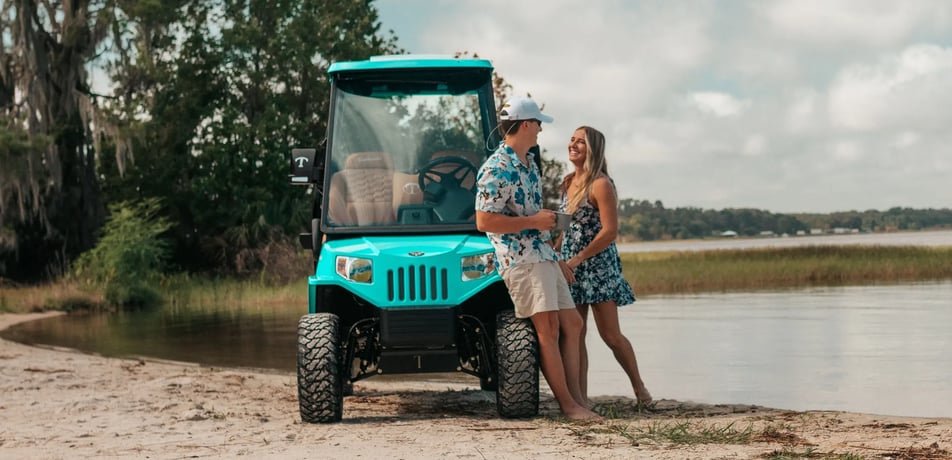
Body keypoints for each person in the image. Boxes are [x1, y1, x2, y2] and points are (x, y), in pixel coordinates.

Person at [475, 97, 600, 421]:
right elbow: (484, 222)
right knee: (548, 329)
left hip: (542, 254)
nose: (542, 129)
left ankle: (577, 400)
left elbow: (534, 218)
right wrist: (533, 223)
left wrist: (554, 254)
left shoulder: (529, 164)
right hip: (521, 260)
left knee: (572, 324)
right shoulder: (496, 168)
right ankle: (569, 407)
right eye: (539, 123)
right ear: (527, 124)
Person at [558, 125, 652, 407]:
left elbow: (610, 231)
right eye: (572, 140)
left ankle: (641, 391)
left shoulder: (601, 184)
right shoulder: (567, 182)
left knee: (610, 335)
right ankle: (581, 399)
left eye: (580, 142)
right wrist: (554, 252)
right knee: (575, 334)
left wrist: (578, 258)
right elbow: (565, 226)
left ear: (593, 150)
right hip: (570, 267)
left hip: (598, 268)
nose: (573, 145)